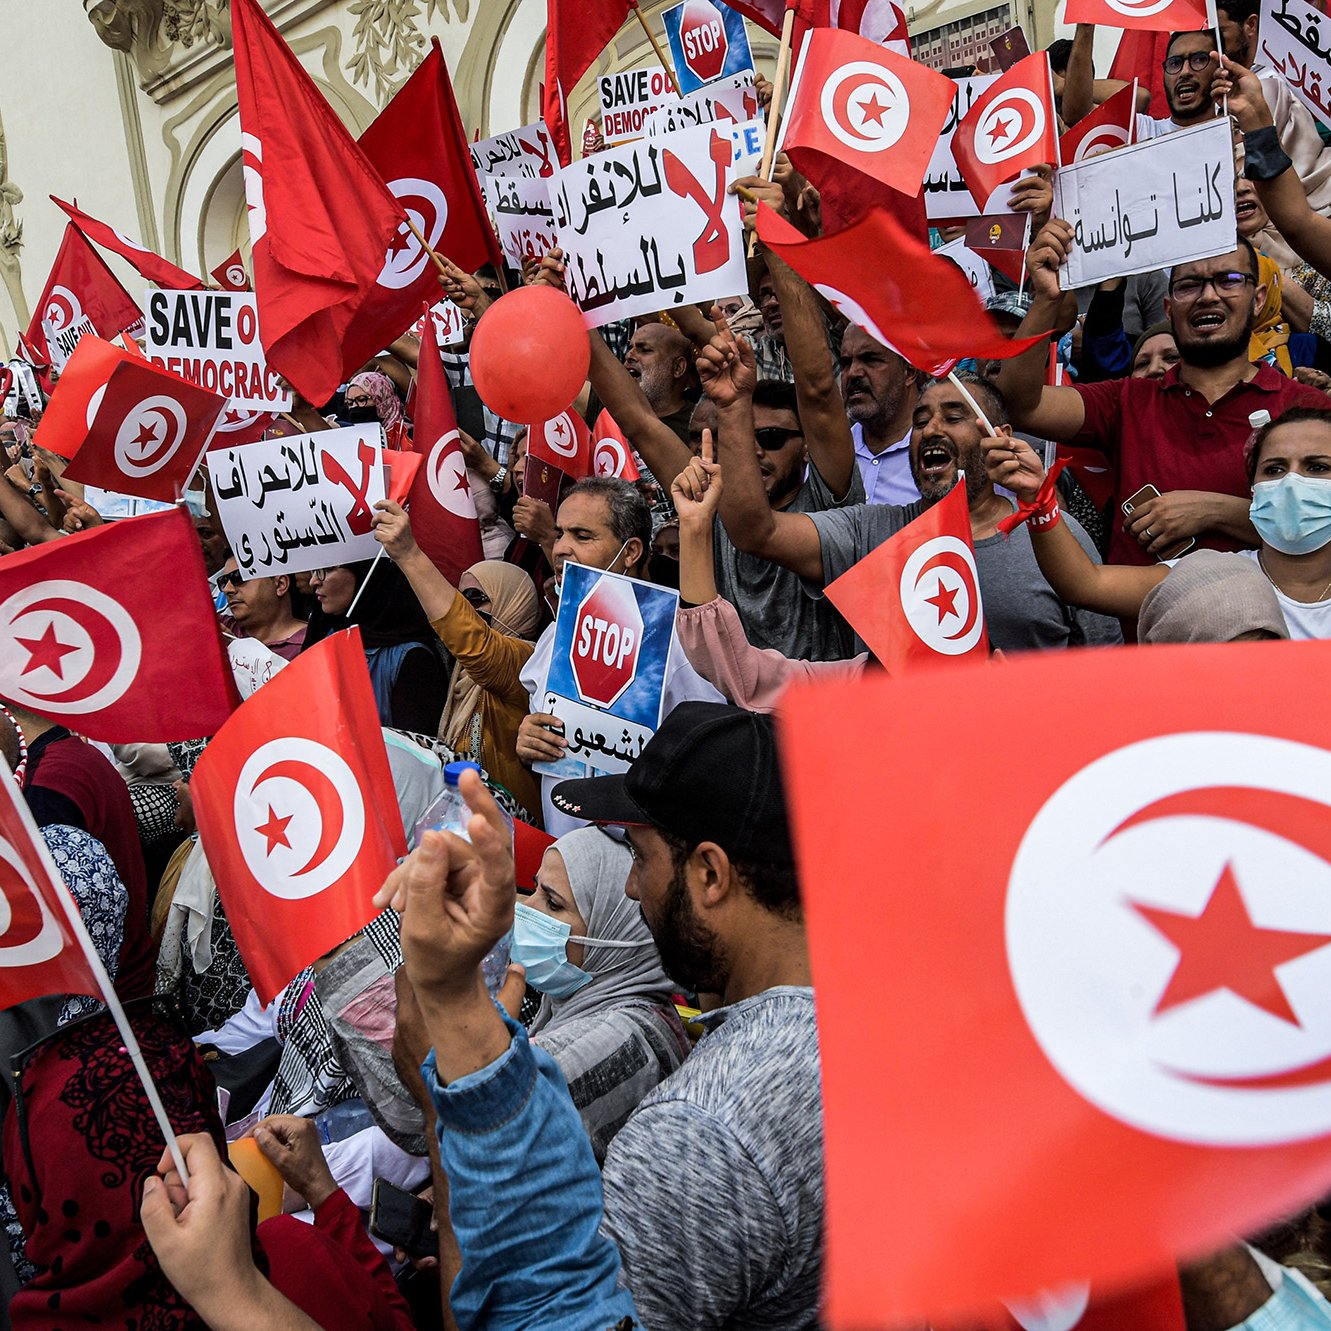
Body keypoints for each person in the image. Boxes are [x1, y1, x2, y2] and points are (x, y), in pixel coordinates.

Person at [548, 702, 822, 1330]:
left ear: (709, 873)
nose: (629, 889)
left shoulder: (700, 1131)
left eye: (641, 858)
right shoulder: (898, 1001)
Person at [716, 356, 1121, 653]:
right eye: (921, 420)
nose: (931, 430)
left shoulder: (1055, 534)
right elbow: (756, 531)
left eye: (954, 416)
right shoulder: (872, 534)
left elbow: (1103, 667)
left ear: (1000, 435)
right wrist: (733, 408)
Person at [994, 223, 1328, 568]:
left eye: (1228, 280)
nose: (1208, 295)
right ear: (1169, 309)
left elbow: (1321, 529)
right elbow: (1019, 404)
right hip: (1145, 619)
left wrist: (1215, 511)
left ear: (1258, 300)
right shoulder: (1127, 400)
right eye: (1189, 285)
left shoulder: (1307, 408)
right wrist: (1046, 300)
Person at [982, 406, 1331, 639]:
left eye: (1317, 467)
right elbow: (1085, 584)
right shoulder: (1211, 578)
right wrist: (1038, 497)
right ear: (1253, 487)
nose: (1291, 482)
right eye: (1274, 469)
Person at [514, 475, 724, 836]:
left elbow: (709, 753)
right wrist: (528, 740)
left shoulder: (676, 641)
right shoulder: (556, 635)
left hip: (641, 865)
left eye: (582, 536)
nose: (561, 547)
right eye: (560, 533)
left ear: (630, 552)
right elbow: (541, 730)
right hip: (566, 860)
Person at [511, 826, 691, 1161]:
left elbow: (472, 1112)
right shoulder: (575, 996)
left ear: (618, 932)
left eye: (552, 903)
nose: (524, 907)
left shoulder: (622, 1041)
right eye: (534, 889)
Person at [372, 498, 543, 817]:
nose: (467, 608)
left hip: (515, 836)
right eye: (461, 598)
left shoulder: (526, 663)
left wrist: (410, 555)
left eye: (476, 599)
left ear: (513, 603)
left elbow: (476, 645)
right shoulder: (461, 675)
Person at [8, 700, 154, 1000]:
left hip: (100, 999)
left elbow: (39, 920)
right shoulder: (79, 755)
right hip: (126, 978)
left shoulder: (46, 783)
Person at [303, 557, 450, 734]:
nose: (313, 581)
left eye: (327, 569)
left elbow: (415, 752)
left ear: (365, 573)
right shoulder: (323, 634)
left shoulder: (412, 658)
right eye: (314, 570)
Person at [841, 323, 920, 506]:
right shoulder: (832, 456)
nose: (853, 373)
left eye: (870, 359)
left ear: (909, 371)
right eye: (845, 363)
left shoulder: (944, 453)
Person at [218, 556, 308, 661]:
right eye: (223, 581)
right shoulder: (220, 628)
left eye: (239, 577)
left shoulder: (311, 645)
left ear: (280, 584)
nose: (227, 589)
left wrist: (236, 650)